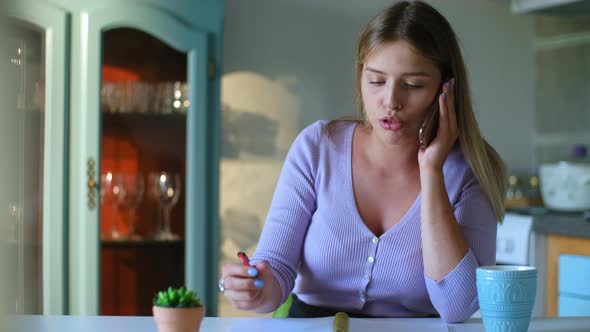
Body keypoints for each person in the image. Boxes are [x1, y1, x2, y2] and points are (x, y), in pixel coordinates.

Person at [220, 0, 506, 323]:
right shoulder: (317, 149)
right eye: (376, 81)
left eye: (412, 85)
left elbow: (458, 307)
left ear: (447, 90)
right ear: (360, 78)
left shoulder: (471, 173)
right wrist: (255, 288)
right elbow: (277, 269)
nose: (391, 101)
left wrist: (432, 171)